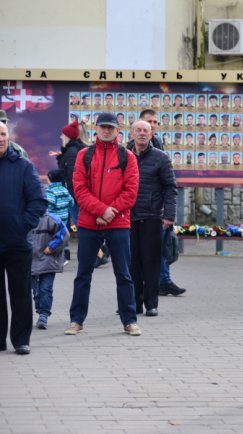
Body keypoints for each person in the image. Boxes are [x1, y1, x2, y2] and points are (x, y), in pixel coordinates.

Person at [66, 112, 142, 337]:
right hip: (90, 223)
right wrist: (101, 210)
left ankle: (129, 321)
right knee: (83, 274)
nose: (106, 130)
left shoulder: (127, 156)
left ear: (118, 130)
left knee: (124, 274)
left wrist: (110, 212)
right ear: (96, 129)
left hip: (118, 223)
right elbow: (79, 189)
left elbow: (131, 192)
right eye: (103, 127)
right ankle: (76, 320)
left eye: (111, 127)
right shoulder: (84, 155)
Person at [0, 122, 47, 355]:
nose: (0, 138)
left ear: (9, 137)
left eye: (2, 134)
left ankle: (21, 340)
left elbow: (38, 200)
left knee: (20, 293)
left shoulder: (23, 166)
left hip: (17, 242)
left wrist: (23, 225)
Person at [127, 121, 177, 317]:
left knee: (151, 262)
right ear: (132, 133)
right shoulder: (124, 156)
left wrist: (169, 215)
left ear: (151, 134)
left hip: (152, 217)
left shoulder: (161, 157)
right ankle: (134, 303)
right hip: (128, 217)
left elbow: (170, 188)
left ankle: (151, 304)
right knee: (132, 263)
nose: (142, 133)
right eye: (138, 130)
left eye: (145, 131)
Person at [31, 210, 69, 330]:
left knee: (45, 289)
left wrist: (52, 247)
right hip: (31, 262)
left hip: (48, 260)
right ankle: (40, 310)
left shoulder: (51, 219)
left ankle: (43, 315)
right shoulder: (25, 218)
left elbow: (64, 234)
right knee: (36, 291)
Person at [45, 169, 73, 265]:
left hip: (53, 220)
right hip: (64, 219)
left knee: (53, 239)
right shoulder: (65, 190)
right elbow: (71, 202)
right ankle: (64, 256)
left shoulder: (50, 191)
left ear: (50, 179)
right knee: (61, 237)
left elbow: (49, 206)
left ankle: (61, 259)